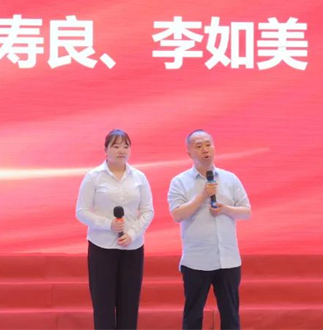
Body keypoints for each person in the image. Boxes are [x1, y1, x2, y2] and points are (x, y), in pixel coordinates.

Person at [167, 129, 252, 330]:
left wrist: (225, 209)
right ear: (189, 152)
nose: (205, 150)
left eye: (208, 144)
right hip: (197, 260)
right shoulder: (179, 182)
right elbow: (177, 215)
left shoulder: (230, 179)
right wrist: (203, 195)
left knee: (231, 315)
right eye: (199, 146)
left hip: (228, 258)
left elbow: (246, 212)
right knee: (193, 315)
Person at [76, 129, 155, 329]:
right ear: (106, 150)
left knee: (129, 304)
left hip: (132, 247)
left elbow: (148, 211)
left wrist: (132, 234)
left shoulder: (139, 177)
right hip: (101, 247)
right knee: (103, 304)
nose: (121, 150)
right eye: (116, 146)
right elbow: (81, 212)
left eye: (126, 146)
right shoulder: (94, 177)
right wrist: (108, 224)